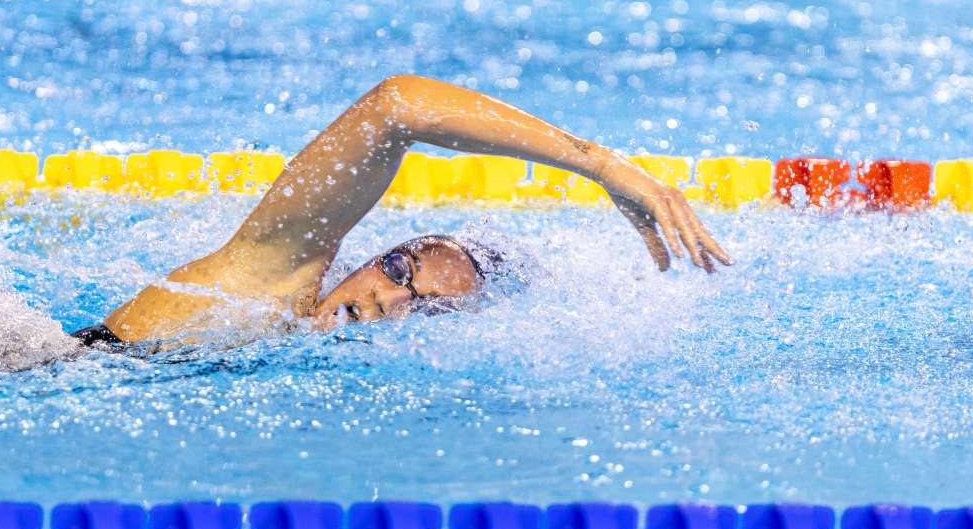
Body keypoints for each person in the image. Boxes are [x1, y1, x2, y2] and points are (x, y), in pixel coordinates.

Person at [82, 74, 731, 347]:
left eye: (425, 305)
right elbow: (396, 107)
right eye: (398, 269)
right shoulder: (267, 280)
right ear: (370, 256)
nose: (387, 300)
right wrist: (600, 163)